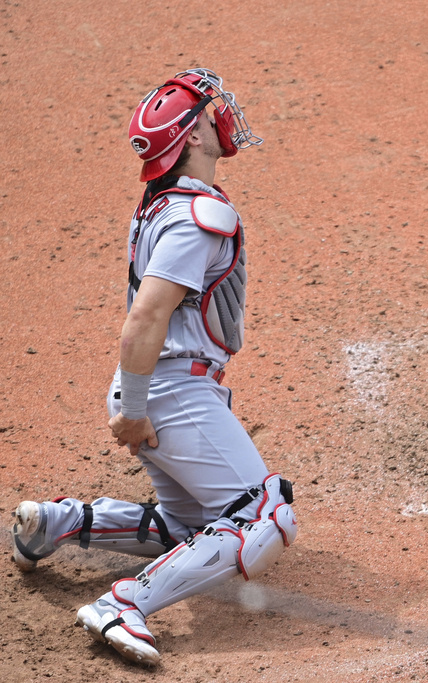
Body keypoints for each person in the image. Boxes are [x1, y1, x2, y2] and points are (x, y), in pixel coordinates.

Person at [10, 68, 297, 666]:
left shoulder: (161, 203)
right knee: (263, 514)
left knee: (190, 525)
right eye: (209, 110)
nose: (224, 116)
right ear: (190, 137)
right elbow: (144, 319)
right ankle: (124, 604)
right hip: (169, 389)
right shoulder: (200, 218)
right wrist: (136, 411)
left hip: (163, 386)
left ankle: (57, 524)